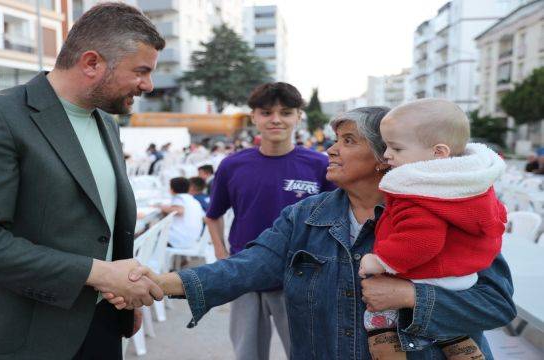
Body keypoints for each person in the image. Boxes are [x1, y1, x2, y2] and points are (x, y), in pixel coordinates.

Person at [106, 106, 516, 359]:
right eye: (335, 140)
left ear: (384, 157)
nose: (331, 150)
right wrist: (161, 282)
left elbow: (495, 304)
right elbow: (247, 267)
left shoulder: (445, 210)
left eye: (348, 141)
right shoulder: (306, 216)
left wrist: (412, 296)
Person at [0, 3, 165, 359]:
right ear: (91, 63)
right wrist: (102, 274)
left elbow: (100, 225)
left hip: (100, 325)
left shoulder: (105, 123)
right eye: (141, 71)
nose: (148, 85)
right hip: (18, 339)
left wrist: (123, 292)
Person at [358, 99, 506, 359]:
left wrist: (380, 260)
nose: (387, 155)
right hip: (462, 277)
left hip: (426, 273)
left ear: (438, 152)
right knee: (448, 328)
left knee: (377, 316)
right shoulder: (469, 185)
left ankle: (387, 350)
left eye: (396, 148)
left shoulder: (419, 190)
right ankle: (459, 343)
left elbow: (421, 240)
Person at [203, 82, 336, 360]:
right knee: (247, 354)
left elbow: (336, 221)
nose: (276, 120)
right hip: (246, 275)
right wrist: (222, 254)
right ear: (254, 117)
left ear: (299, 116)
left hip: (300, 275)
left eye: (286, 112)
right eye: (266, 112)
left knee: (306, 353)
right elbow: (213, 215)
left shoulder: (319, 165)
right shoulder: (232, 165)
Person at [157, 177, 205, 249]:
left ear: (172, 189)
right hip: (194, 240)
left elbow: (180, 210)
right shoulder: (193, 200)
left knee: (151, 234)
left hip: (180, 240)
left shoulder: (179, 197)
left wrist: (160, 207)